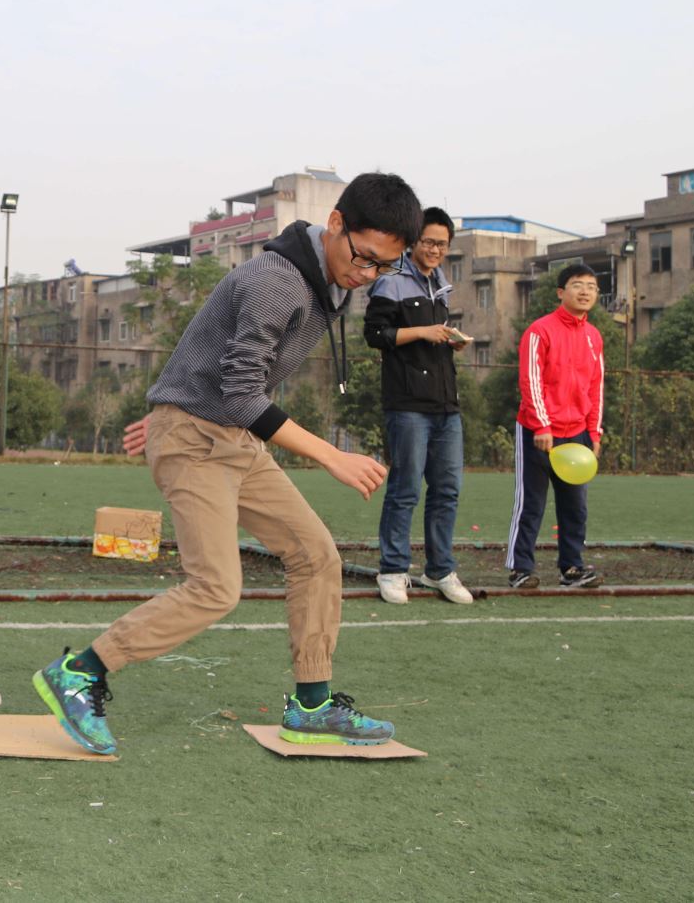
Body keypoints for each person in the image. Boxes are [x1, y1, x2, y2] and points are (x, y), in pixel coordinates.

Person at [34, 174, 423, 755]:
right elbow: (241, 392)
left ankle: (312, 706)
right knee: (217, 587)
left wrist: (171, 399)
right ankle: (80, 671)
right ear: (335, 223)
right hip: (198, 441)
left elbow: (218, 352)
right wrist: (330, 455)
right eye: (364, 257)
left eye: (384, 267)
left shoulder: (329, 280)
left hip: (229, 437)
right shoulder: (277, 281)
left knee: (317, 557)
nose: (367, 274)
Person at [363, 206, 474, 605]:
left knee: (447, 490)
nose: (435, 250)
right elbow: (375, 334)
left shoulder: (440, 283)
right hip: (407, 403)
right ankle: (393, 570)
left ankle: (439, 569)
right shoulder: (391, 281)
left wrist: (450, 340)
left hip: (446, 403)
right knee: (405, 488)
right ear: (413, 242)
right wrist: (423, 331)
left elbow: (430, 336)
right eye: (429, 242)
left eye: (442, 244)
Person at [506, 264, 605, 589]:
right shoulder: (540, 331)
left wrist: (594, 432)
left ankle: (571, 568)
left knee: (575, 506)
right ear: (561, 292)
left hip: (577, 434)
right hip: (537, 432)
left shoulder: (594, 337)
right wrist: (542, 425)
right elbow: (530, 380)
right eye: (577, 285)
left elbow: (596, 387)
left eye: (591, 286)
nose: (585, 291)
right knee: (531, 503)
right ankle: (520, 569)